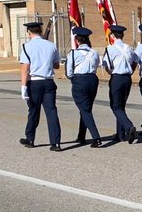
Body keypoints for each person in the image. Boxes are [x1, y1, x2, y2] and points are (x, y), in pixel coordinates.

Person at [18, 21, 62, 150]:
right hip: (49, 81)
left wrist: (23, 87)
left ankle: (30, 139)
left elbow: (25, 68)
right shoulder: (51, 45)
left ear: (29, 32)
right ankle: (56, 142)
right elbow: (56, 65)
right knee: (51, 112)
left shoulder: (27, 46)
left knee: (33, 111)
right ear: (40, 31)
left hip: (35, 82)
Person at [65, 27, 104, 147]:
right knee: (86, 109)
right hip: (92, 79)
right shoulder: (94, 53)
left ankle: (96, 137)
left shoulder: (73, 54)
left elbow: (68, 72)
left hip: (79, 80)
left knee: (85, 109)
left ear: (77, 41)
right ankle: (81, 136)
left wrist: (75, 80)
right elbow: (97, 65)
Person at [102, 24, 139, 144]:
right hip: (127, 78)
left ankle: (128, 127)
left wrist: (110, 72)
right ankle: (120, 134)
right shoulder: (129, 48)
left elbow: (106, 65)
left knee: (115, 106)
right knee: (121, 106)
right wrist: (131, 70)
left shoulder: (110, 49)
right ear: (122, 35)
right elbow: (135, 62)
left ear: (112, 35)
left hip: (117, 77)